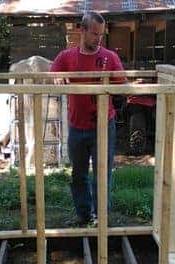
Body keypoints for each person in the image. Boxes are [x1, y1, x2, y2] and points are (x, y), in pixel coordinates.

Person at [50, 11, 125, 226]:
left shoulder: (110, 58)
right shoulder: (66, 57)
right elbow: (53, 72)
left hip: (104, 125)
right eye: (94, 34)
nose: (98, 38)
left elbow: (122, 84)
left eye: (101, 35)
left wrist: (117, 86)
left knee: (103, 173)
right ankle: (83, 215)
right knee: (79, 173)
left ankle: (102, 218)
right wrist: (57, 76)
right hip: (77, 126)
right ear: (81, 30)